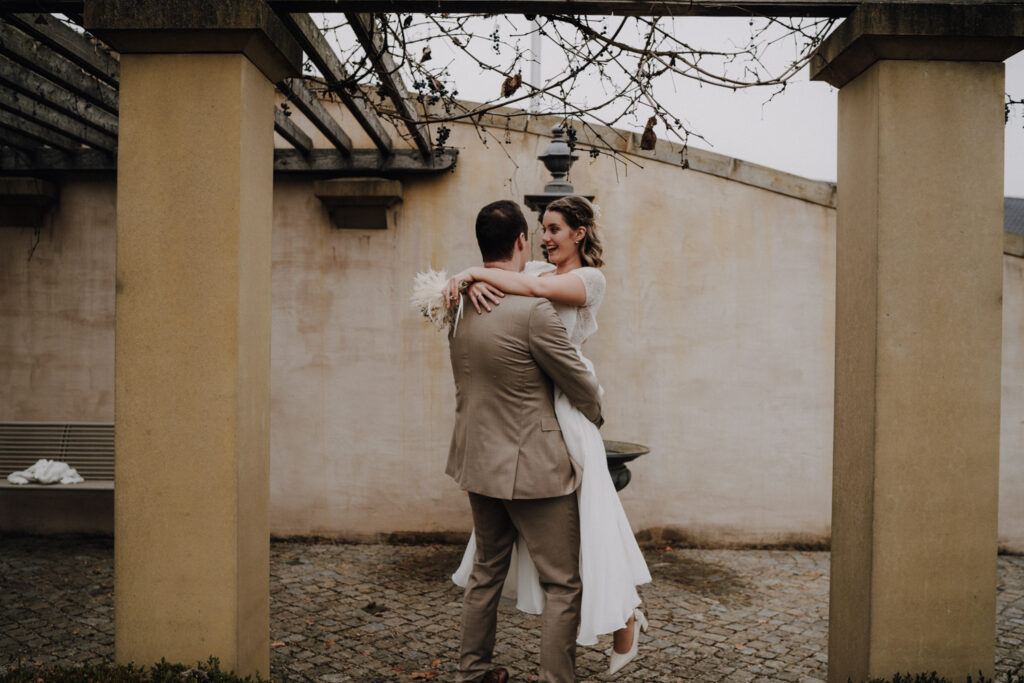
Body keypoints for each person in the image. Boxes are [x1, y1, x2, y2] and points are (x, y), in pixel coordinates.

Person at [445, 195, 652, 676]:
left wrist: (467, 277)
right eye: (540, 229)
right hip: (538, 447)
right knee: (565, 577)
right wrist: (595, 413)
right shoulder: (531, 296)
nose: (545, 237)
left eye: (556, 228)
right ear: (522, 240)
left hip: (482, 452)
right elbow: (577, 382)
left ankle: (473, 671)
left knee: (489, 570)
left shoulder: (461, 307)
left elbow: (505, 273)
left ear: (579, 233)